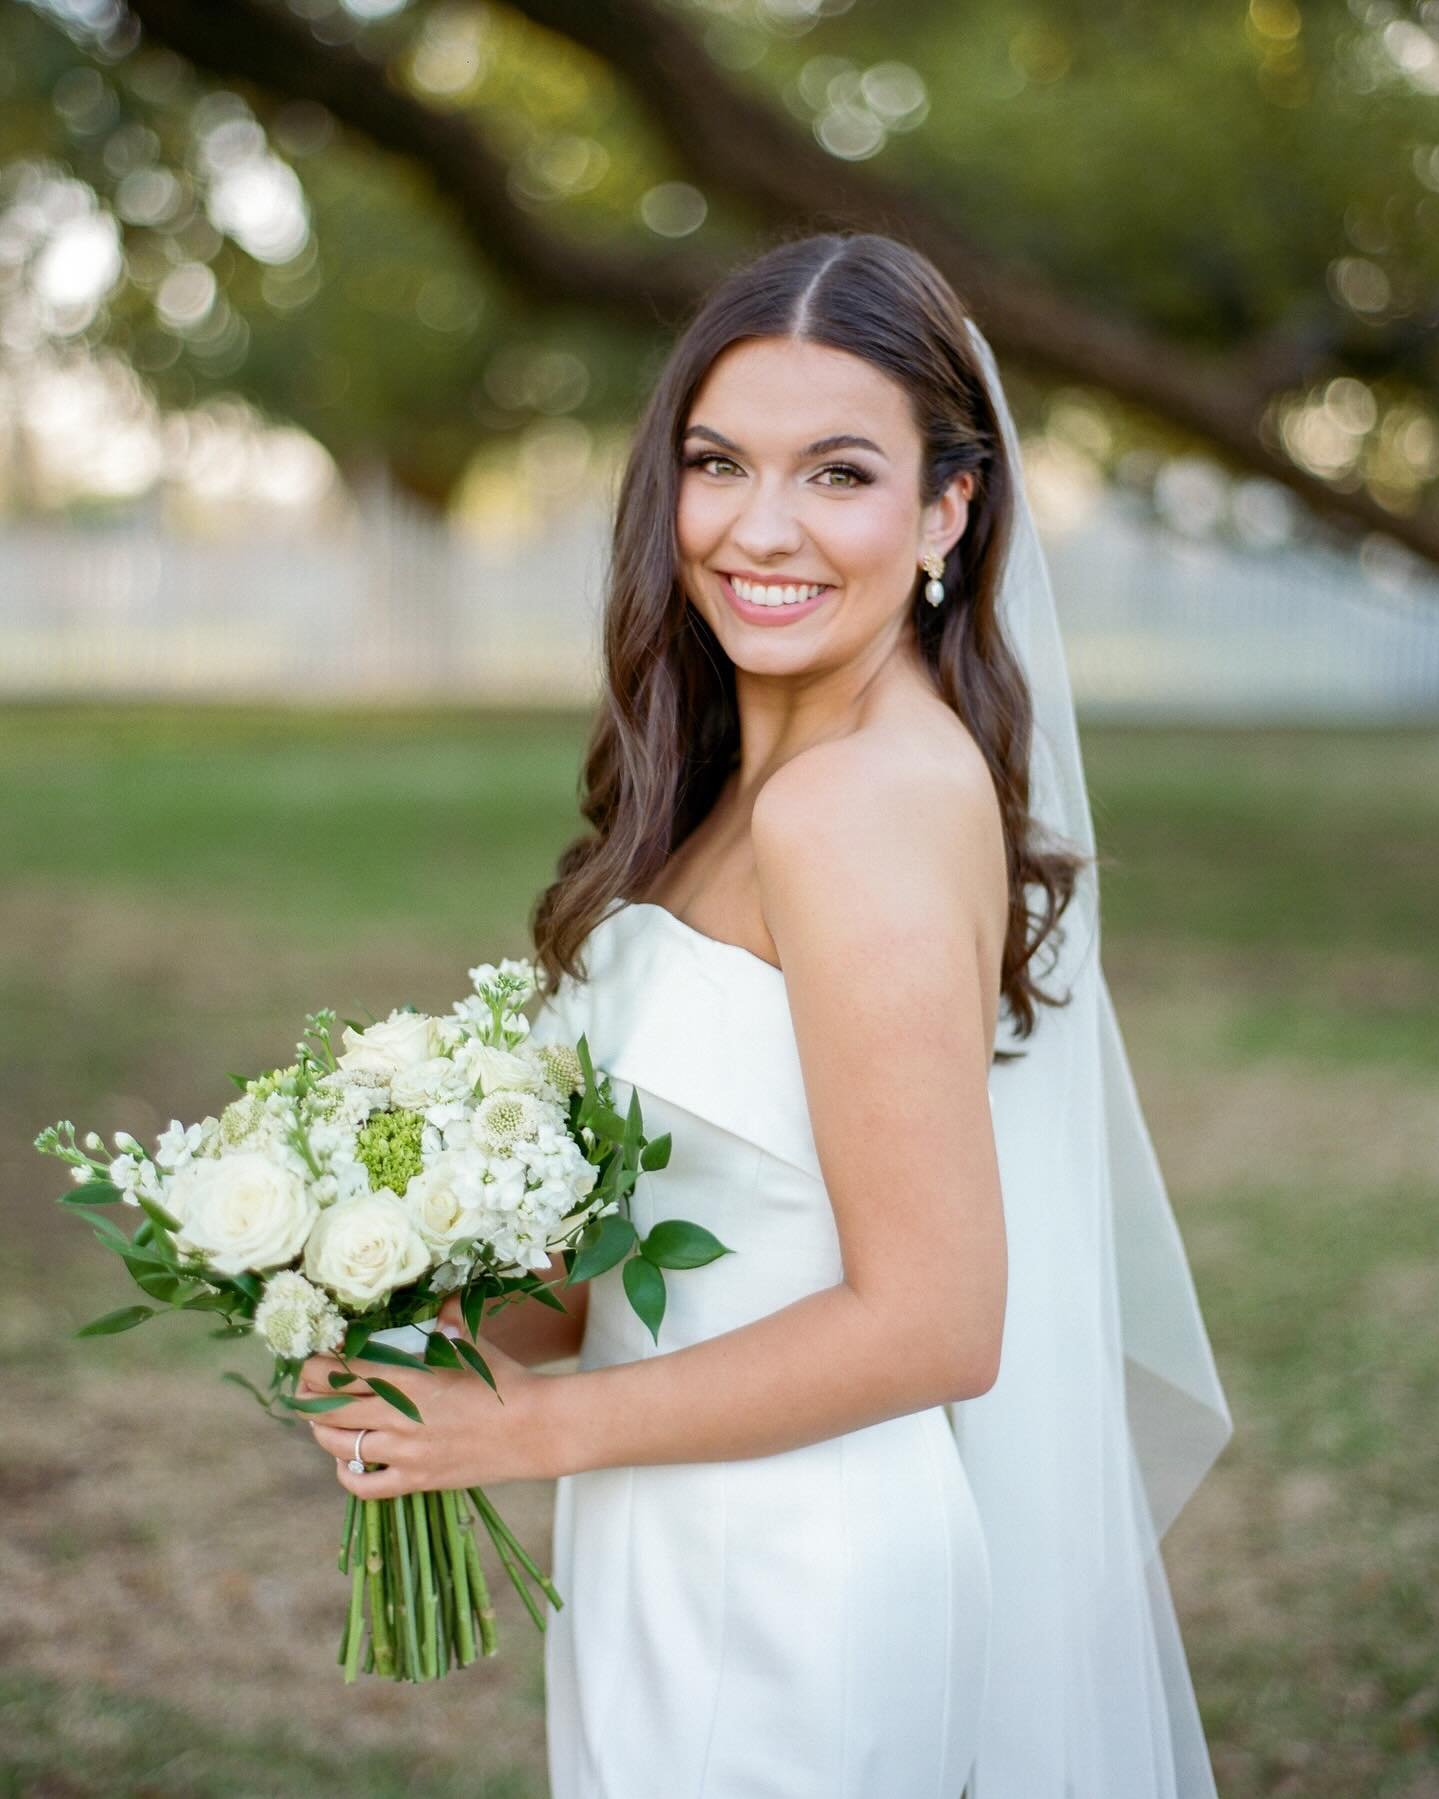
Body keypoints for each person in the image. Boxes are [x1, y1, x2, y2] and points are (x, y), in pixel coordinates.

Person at [300, 231, 1233, 1797]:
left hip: (798, 1566)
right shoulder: (746, 786)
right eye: (719, 463)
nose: (761, 527)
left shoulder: (855, 807)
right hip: (677, 1522)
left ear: (951, 509)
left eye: (839, 473)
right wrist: (391, 1310)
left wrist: (521, 1433)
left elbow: (935, 1322)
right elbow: (650, 1246)